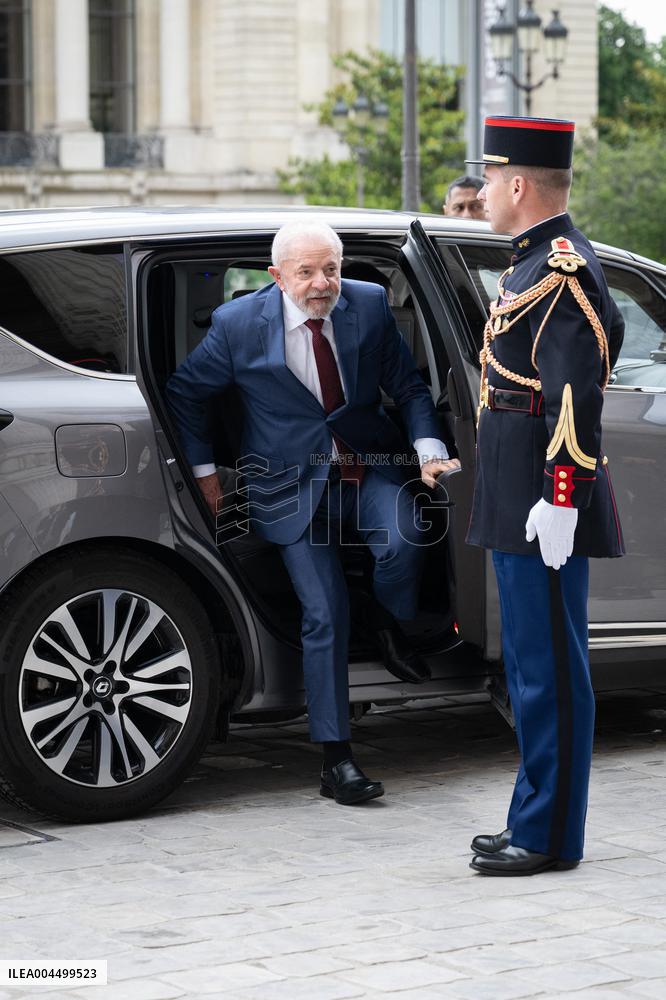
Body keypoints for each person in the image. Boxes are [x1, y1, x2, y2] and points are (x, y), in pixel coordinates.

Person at [166, 220, 459, 806]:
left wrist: (429, 449)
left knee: (405, 541)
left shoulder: (370, 306)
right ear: (276, 277)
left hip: (366, 464)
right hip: (286, 485)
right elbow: (184, 393)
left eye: (332, 269)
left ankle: (388, 618)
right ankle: (337, 761)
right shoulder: (237, 325)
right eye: (307, 273)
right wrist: (203, 474)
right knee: (323, 614)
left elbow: (409, 388)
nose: (323, 283)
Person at [465, 116, 625, 876]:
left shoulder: (560, 269)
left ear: (520, 184)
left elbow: (574, 395)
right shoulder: (527, 266)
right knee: (531, 665)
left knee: (551, 668)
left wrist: (564, 496)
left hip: (541, 499)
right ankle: (535, 815)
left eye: (490, 179)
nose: (484, 190)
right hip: (516, 492)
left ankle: (550, 834)